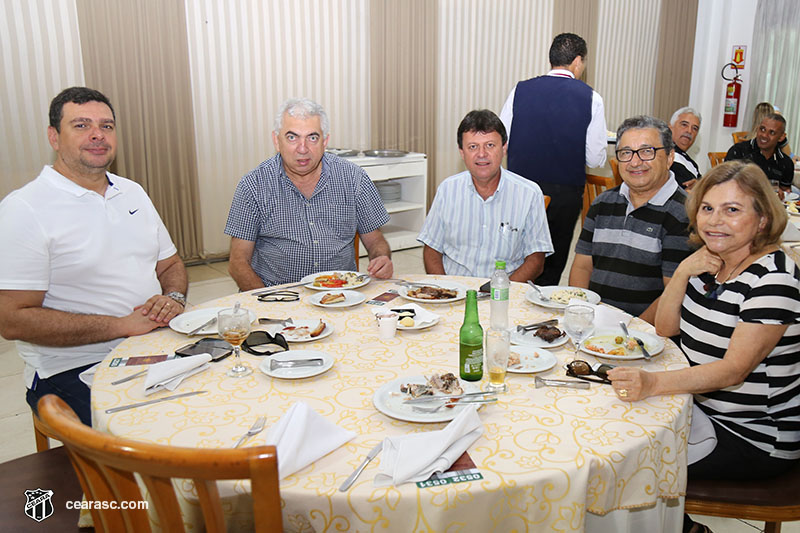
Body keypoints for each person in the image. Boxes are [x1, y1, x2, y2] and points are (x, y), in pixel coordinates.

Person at [607, 160, 800, 533]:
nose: (714, 221)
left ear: (761, 219)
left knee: (621, 468)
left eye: (732, 210)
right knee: (607, 429)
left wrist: (653, 384)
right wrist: (682, 272)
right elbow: (665, 329)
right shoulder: (713, 262)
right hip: (700, 412)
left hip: (753, 434)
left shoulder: (774, 280)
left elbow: (733, 371)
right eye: (708, 209)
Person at [0, 87, 188, 425]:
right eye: (82, 125)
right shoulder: (24, 208)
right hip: (74, 366)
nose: (98, 135)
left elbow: (170, 264)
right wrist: (119, 326)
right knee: (162, 429)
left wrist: (172, 298)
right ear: (54, 137)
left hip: (151, 347)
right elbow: (11, 319)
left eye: (107, 126)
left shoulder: (132, 192)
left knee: (231, 391)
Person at [225, 98, 393, 289]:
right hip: (279, 294)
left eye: (312, 137)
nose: (302, 149)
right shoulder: (253, 185)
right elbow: (237, 263)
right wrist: (270, 303)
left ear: (325, 141)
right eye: (292, 137)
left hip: (340, 294)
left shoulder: (354, 178)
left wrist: (382, 258)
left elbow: (376, 241)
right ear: (276, 141)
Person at [500, 32, 607, 286]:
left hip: (520, 188)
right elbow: (594, 158)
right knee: (554, 257)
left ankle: (512, 298)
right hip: (565, 191)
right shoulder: (591, 97)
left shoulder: (520, 89)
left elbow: (501, 141)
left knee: (518, 254)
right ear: (578, 61)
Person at [568, 116, 690, 324]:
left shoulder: (683, 214)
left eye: (646, 151)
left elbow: (675, 294)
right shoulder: (602, 204)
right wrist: (581, 315)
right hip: (595, 326)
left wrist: (631, 332)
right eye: (626, 153)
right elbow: (582, 266)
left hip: (646, 335)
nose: (635, 162)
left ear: (670, 157)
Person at [417, 110, 553, 280]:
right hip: (455, 290)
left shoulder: (529, 193)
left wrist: (500, 291)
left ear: (504, 148)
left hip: (506, 292)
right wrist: (445, 289)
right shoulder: (447, 189)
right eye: (473, 147)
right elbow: (431, 248)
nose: (481, 154)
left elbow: (536, 259)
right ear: (462, 152)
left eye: (490, 145)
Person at [726, 113, 794, 194]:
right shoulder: (739, 151)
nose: (764, 135)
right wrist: (766, 189)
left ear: (781, 137)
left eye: (772, 132)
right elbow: (727, 183)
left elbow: (785, 192)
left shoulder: (786, 163)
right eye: (762, 129)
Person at [669, 107, 702, 190]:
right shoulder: (666, 156)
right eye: (684, 125)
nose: (689, 131)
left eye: (694, 128)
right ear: (670, 127)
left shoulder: (689, 161)